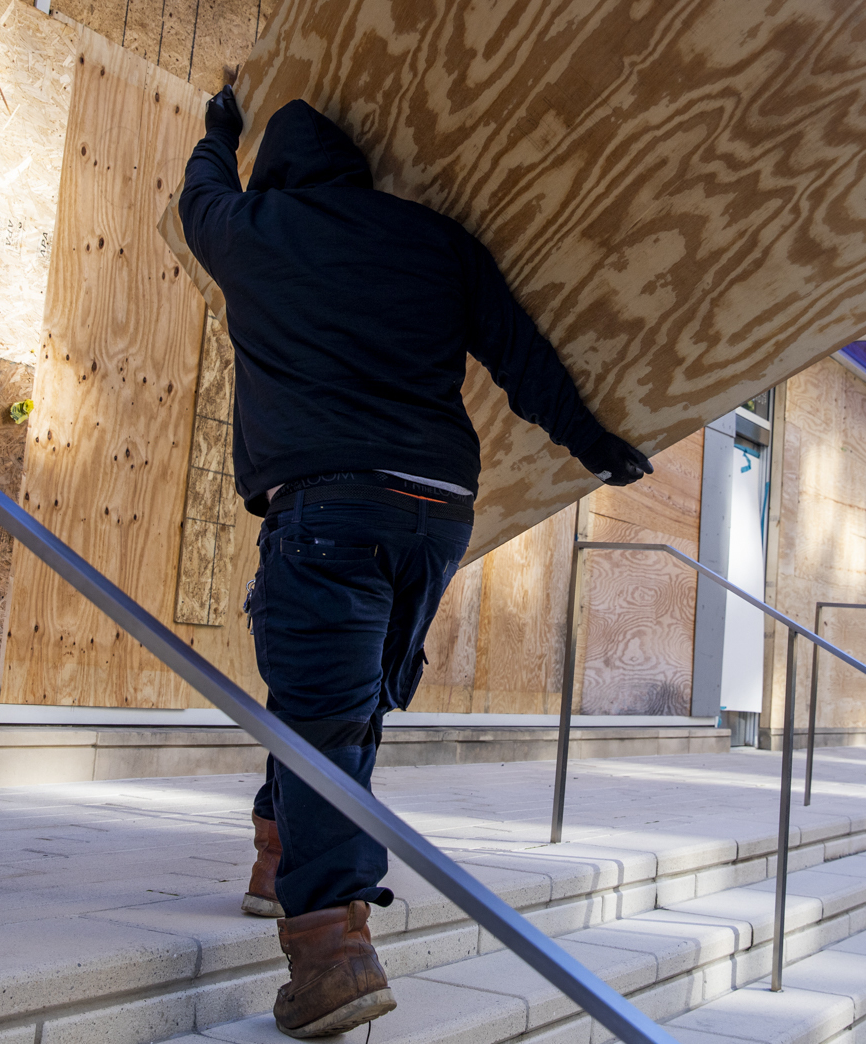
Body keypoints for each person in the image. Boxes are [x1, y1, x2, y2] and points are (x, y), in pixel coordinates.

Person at [177, 88, 652, 1039]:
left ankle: (331, 959)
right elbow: (521, 355)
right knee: (343, 711)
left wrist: (219, 129)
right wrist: (596, 446)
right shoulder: (430, 237)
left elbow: (198, 194)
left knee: (323, 727)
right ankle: (279, 865)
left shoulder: (249, 229)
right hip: (434, 512)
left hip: (327, 510)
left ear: (277, 174)